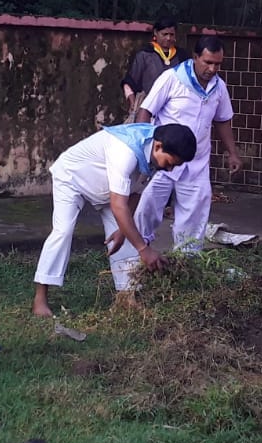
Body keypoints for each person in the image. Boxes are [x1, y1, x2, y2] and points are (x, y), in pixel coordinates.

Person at [32, 123, 197, 317]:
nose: (169, 169)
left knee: (128, 236)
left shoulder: (153, 155)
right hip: (72, 178)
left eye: (174, 166)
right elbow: (119, 206)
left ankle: (127, 299)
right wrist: (144, 249)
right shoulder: (125, 151)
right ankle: (40, 299)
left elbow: (135, 193)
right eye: (169, 163)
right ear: (158, 146)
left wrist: (122, 230)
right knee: (63, 231)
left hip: (110, 189)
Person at [132, 36, 243, 259]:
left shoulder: (219, 87)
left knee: (195, 212)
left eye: (218, 64)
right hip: (164, 159)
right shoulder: (172, 78)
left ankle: (186, 261)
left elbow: (222, 120)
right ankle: (136, 252)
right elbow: (146, 110)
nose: (212, 69)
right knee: (147, 206)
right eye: (208, 62)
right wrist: (144, 147)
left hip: (197, 161)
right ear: (195, 57)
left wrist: (232, 152)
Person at [121, 18, 183, 122]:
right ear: (155, 33)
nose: (168, 38)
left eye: (171, 35)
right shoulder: (144, 55)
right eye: (165, 34)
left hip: (174, 110)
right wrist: (132, 103)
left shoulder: (182, 56)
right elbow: (129, 82)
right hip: (148, 109)